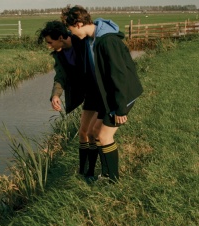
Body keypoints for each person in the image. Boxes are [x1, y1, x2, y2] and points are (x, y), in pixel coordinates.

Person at [62, 5, 143, 182]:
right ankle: (106, 174)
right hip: (111, 95)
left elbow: (119, 75)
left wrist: (120, 109)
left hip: (124, 94)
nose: (72, 34)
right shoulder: (92, 39)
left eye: (71, 29)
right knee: (96, 132)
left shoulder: (107, 41)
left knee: (104, 136)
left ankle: (113, 181)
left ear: (79, 24)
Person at [37, 20, 101, 179]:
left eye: (50, 42)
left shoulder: (83, 42)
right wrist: (55, 95)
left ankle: (91, 173)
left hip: (100, 91)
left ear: (60, 37)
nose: (49, 46)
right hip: (88, 93)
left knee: (94, 134)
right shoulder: (59, 54)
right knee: (83, 133)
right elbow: (61, 76)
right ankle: (82, 172)